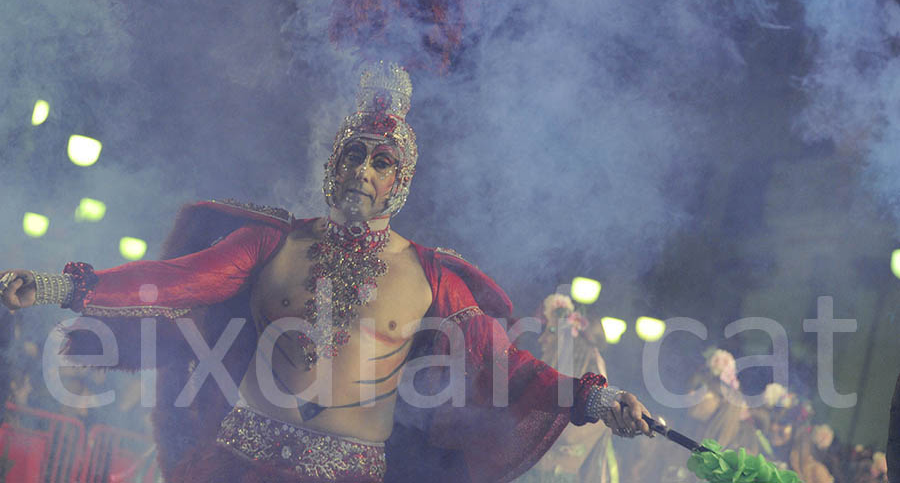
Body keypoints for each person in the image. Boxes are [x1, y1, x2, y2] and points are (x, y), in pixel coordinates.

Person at [1, 63, 653, 483]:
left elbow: (508, 367)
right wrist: (58, 286)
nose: (362, 170)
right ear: (333, 162)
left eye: (380, 161)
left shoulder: (430, 276)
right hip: (236, 462)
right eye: (353, 154)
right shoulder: (269, 242)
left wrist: (597, 398)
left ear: (400, 180)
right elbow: (171, 281)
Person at [515, 294, 615, 483]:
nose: (542, 339)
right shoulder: (536, 391)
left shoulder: (597, 413)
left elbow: (564, 436)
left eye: (550, 330)